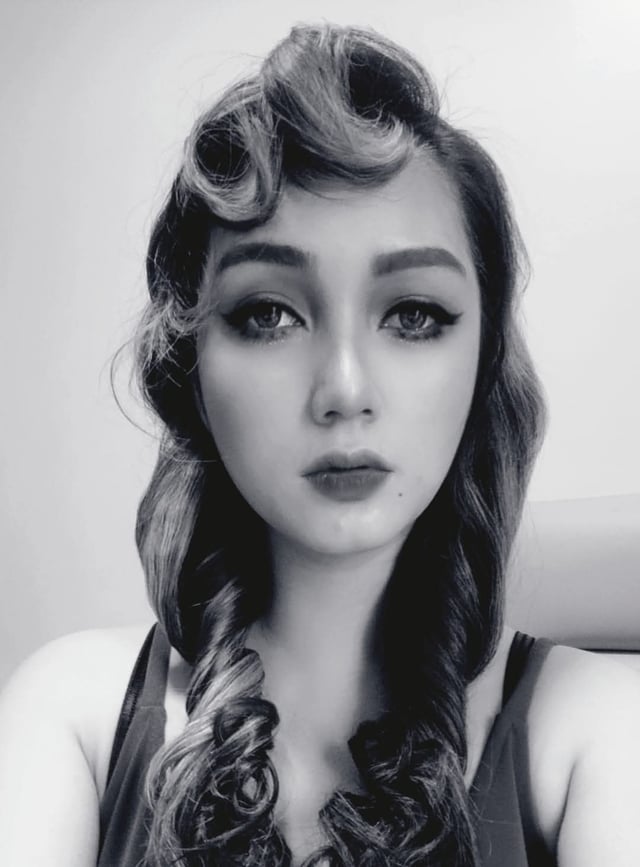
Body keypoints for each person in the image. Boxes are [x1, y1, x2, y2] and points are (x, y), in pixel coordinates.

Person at [0, 21, 639, 867]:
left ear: (484, 362)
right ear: (191, 364)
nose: (344, 389)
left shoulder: (596, 735)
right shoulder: (75, 715)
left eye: (414, 314)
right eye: (268, 313)